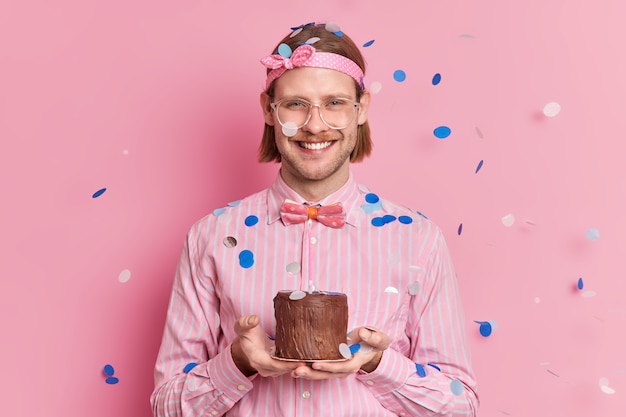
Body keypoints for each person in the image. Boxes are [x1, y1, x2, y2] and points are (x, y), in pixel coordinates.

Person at [150, 22, 479, 417]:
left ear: (362, 109)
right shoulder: (212, 236)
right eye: (296, 104)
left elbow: (460, 407)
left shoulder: (417, 239)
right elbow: (166, 406)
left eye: (335, 103)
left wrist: (376, 363)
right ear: (269, 111)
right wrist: (238, 361)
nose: (315, 124)